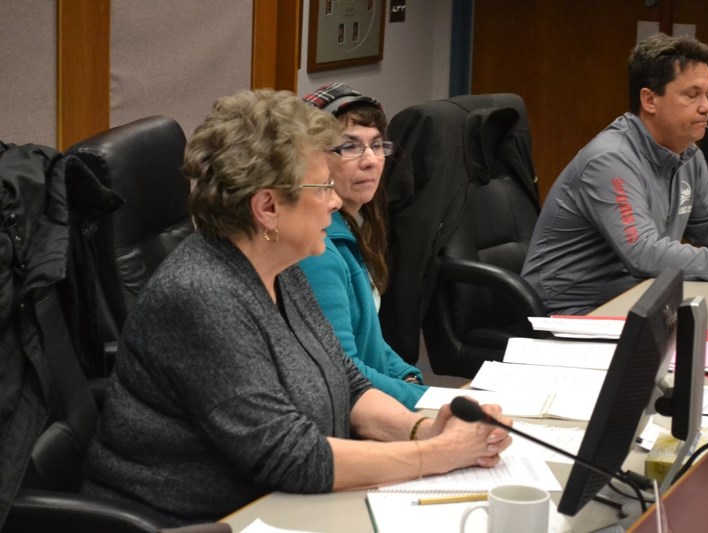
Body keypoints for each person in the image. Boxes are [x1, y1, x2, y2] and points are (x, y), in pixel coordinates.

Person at [80, 88, 511, 525]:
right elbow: (293, 458)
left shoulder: (281, 265)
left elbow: (347, 381)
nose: (336, 201)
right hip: (189, 520)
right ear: (267, 206)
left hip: (278, 505)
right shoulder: (202, 297)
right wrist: (437, 454)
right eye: (323, 186)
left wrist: (425, 428)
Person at [522, 33, 708, 316]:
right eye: (692, 95)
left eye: (707, 94)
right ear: (650, 100)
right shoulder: (611, 160)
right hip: (570, 313)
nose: (707, 106)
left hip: (634, 301)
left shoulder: (687, 152)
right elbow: (644, 253)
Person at [299, 82, 426, 410]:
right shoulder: (318, 250)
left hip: (375, 397)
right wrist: (430, 400)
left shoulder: (361, 223)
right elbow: (344, 370)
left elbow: (368, 336)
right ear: (313, 158)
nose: (371, 161)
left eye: (376, 145)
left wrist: (406, 375)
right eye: (350, 147)